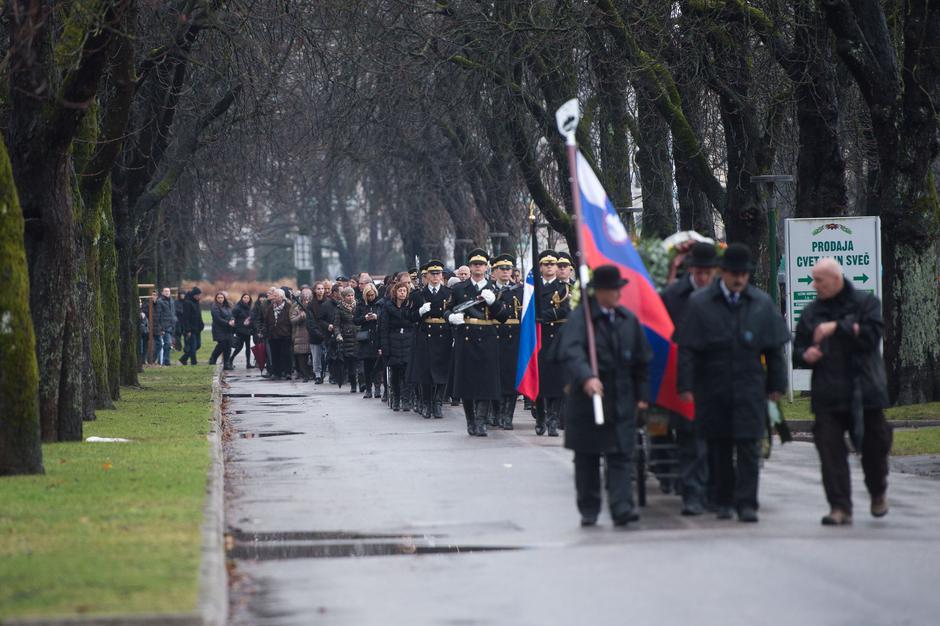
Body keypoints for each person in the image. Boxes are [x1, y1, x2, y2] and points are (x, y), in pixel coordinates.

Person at [675, 243, 789, 523]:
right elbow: (688, 349)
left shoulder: (760, 304)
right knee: (720, 447)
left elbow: (774, 349)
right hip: (713, 388)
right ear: (722, 273)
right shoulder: (700, 303)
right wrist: (686, 386)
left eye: (744, 274)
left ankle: (747, 503)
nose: (739, 279)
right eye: (733, 273)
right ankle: (724, 501)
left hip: (750, 387)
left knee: (749, 447)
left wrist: (777, 385)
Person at [793, 258, 892, 525]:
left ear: (836, 279)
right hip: (828, 392)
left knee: (875, 447)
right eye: (813, 279)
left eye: (819, 280)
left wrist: (837, 327)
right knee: (829, 451)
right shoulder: (811, 311)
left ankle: (877, 491)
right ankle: (840, 507)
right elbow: (798, 350)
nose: (814, 285)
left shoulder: (865, 303)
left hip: (865, 389)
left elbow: (873, 335)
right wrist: (807, 354)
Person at [552, 265, 651, 527]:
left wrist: (642, 396)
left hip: (620, 399)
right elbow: (571, 351)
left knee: (621, 456)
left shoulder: (627, 320)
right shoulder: (580, 319)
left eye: (619, 289)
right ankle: (589, 508)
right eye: (613, 289)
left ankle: (621, 507)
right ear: (599, 292)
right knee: (587, 457)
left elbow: (642, 361)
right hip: (589, 401)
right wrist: (586, 376)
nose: (618, 294)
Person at [656, 242, 719, 515]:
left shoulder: (723, 294)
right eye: (699, 271)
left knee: (717, 440)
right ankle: (693, 493)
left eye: (709, 272)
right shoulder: (673, 296)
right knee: (691, 439)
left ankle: (714, 492)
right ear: (691, 268)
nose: (704, 277)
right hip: (684, 374)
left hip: (718, 374)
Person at [446, 248, 509, 436]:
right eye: (474, 264)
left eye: (481, 264)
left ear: (486, 267)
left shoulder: (495, 289)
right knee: (467, 382)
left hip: (488, 337)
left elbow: (504, 316)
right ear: (470, 266)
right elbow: (448, 309)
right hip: (466, 335)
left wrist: (494, 303)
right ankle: (470, 420)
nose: (478, 268)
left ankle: (481, 421)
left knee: (486, 382)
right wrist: (451, 318)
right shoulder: (459, 288)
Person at [407, 260, 454, 418]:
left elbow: (452, 313)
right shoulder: (418, 294)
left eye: (438, 273)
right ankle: (426, 403)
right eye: (432, 274)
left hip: (443, 334)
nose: (435, 276)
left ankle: (438, 402)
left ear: (442, 275)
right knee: (425, 372)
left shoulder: (448, 293)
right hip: (425, 334)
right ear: (426, 276)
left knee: (442, 371)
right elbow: (410, 317)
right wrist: (420, 312)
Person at [536, 250, 571, 436]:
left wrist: (542, 316)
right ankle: (541, 417)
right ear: (540, 267)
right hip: (539, 338)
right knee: (540, 381)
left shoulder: (564, 288)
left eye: (553, 264)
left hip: (556, 337)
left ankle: (553, 419)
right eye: (546, 264)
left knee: (557, 380)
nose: (550, 267)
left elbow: (566, 309)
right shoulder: (533, 287)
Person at [492, 254, 523, 429]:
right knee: (494, 376)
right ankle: (496, 413)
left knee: (511, 377)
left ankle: (508, 415)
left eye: (508, 269)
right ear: (494, 271)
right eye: (501, 269)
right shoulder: (489, 290)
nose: (505, 272)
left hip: (513, 337)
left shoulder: (519, 290)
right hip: (494, 336)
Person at [380, 281, 415, 411]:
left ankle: (406, 399)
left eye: (404, 291)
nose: (402, 293)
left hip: (408, 341)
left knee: (407, 373)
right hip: (393, 342)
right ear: (395, 292)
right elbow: (384, 328)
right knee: (395, 373)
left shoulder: (410, 307)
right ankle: (396, 398)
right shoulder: (387, 307)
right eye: (400, 290)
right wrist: (384, 347)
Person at [354, 283, 382, 398]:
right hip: (365, 338)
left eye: (372, 295)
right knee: (367, 365)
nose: (371, 297)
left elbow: (384, 318)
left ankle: (377, 388)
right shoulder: (361, 305)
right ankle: (368, 388)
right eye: (368, 295)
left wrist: (377, 317)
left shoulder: (380, 304)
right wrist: (365, 318)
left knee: (377, 365)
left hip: (376, 336)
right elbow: (355, 320)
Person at [333, 287, 359, 392]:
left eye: (352, 295)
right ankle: (353, 385)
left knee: (360, 362)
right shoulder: (339, 308)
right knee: (351, 364)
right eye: (348, 295)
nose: (350, 297)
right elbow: (336, 325)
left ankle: (363, 384)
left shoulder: (359, 305)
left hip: (359, 336)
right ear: (343, 297)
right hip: (347, 338)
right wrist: (338, 334)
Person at [263, 288, 293, 380]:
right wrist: (265, 331)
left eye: (276, 296)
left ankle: (287, 372)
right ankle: (277, 373)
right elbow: (266, 320)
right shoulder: (270, 307)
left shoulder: (288, 307)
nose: (274, 297)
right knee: (275, 355)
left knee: (286, 354)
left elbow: (291, 320)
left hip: (285, 335)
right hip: (273, 335)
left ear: (281, 297)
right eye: (273, 295)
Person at [307, 282, 329, 384]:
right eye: (318, 289)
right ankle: (318, 375)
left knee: (326, 356)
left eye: (322, 289)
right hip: (315, 335)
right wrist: (318, 333)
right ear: (315, 291)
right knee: (316, 357)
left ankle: (326, 373)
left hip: (327, 333)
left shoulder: (328, 303)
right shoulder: (311, 305)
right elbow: (310, 322)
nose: (321, 291)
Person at [290, 289, 313, 382]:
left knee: (312, 358)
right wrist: (300, 317)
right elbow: (292, 320)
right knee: (302, 358)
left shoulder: (313, 308)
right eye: (305, 300)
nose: (306, 302)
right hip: (300, 336)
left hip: (312, 335)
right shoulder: (296, 309)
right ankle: (305, 375)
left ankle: (313, 374)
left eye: (308, 300)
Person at [209, 292, 235, 370]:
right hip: (219, 329)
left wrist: (233, 320)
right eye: (218, 298)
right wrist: (228, 323)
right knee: (222, 345)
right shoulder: (215, 307)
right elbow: (217, 319)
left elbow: (232, 314)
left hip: (228, 329)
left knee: (228, 346)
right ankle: (213, 358)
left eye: (222, 297)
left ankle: (226, 364)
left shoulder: (227, 306)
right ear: (216, 299)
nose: (220, 299)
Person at [179, 287, 205, 365]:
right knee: (193, 346)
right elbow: (185, 318)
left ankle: (184, 358)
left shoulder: (197, 302)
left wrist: (201, 324)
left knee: (198, 345)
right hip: (191, 329)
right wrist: (188, 330)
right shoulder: (187, 303)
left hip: (197, 328)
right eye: (199, 295)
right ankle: (194, 362)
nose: (200, 296)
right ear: (194, 295)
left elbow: (199, 315)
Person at [154, 286, 178, 366]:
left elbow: (173, 312)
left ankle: (164, 360)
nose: (167, 292)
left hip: (172, 325)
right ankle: (165, 361)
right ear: (162, 292)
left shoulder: (171, 300)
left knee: (169, 344)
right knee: (167, 343)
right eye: (165, 291)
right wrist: (161, 328)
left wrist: (175, 319)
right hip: (165, 326)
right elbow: (158, 315)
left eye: (168, 291)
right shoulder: (160, 301)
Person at [231, 293, 254, 369]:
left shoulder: (249, 307)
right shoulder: (237, 307)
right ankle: (230, 360)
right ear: (242, 298)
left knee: (248, 347)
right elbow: (233, 317)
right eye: (245, 297)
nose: (246, 299)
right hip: (240, 330)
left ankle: (248, 363)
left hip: (247, 330)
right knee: (239, 347)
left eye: (248, 298)